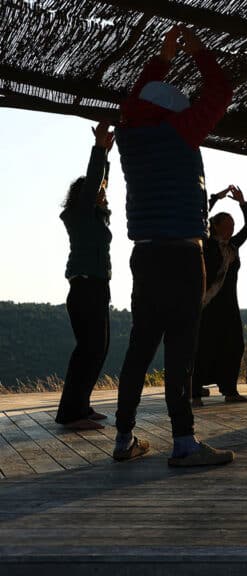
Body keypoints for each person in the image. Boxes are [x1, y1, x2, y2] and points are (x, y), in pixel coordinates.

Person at [113, 25, 234, 467]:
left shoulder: (128, 134)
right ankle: (183, 443)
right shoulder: (179, 132)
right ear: (173, 111)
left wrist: (162, 59)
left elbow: (135, 96)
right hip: (183, 256)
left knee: (140, 349)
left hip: (144, 255)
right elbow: (221, 91)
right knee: (180, 351)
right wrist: (197, 51)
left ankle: (124, 438)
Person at [55, 122, 115, 430]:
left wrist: (108, 157)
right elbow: (94, 183)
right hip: (84, 288)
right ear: (86, 196)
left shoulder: (94, 218)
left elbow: (101, 184)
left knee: (98, 349)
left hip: (98, 288)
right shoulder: (78, 215)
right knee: (88, 350)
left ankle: (82, 406)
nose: (104, 194)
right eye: (99, 191)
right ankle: (70, 414)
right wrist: (99, 150)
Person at [192, 184, 247, 407]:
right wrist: (216, 198)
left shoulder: (233, 246)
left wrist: (242, 203)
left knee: (234, 345)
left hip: (229, 304)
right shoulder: (207, 244)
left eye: (232, 225)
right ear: (216, 227)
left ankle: (230, 391)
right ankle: (194, 392)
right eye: (227, 225)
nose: (231, 229)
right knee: (204, 347)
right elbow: (199, 214)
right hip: (209, 304)